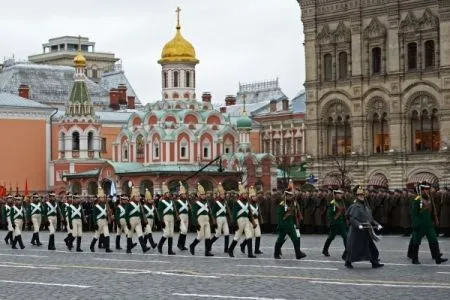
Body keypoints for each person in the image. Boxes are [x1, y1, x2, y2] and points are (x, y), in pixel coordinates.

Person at [345, 188, 384, 269]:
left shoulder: (366, 206)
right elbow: (352, 219)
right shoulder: (354, 206)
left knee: (372, 248)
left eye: (362, 195)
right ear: (356, 196)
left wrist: (377, 224)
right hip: (356, 232)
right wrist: (358, 225)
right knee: (353, 248)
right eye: (359, 195)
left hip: (366, 231)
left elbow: (371, 219)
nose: (361, 197)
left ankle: (374, 262)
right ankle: (348, 262)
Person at [410, 182, 447, 265]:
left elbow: (431, 210)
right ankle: (414, 258)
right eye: (426, 190)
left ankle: (437, 258)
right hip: (420, 224)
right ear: (422, 191)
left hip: (428, 224)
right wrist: (416, 224)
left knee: (433, 239)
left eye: (428, 189)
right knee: (416, 241)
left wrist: (434, 219)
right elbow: (414, 213)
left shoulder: (429, 198)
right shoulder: (417, 199)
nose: (428, 191)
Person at [273, 189, 306, 260]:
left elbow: (295, 210)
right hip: (284, 225)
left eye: (291, 196)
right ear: (286, 196)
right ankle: (276, 254)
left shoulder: (292, 203)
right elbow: (279, 217)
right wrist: (280, 225)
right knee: (280, 239)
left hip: (290, 224)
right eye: (289, 196)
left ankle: (298, 254)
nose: (290, 197)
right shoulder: (282, 204)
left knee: (295, 239)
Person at [228, 182, 257, 258]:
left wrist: (253, 222)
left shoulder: (247, 203)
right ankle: (230, 250)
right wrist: (233, 223)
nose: (245, 195)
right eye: (244, 194)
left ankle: (250, 253)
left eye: (246, 194)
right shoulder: (237, 203)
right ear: (241, 195)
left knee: (249, 235)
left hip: (246, 220)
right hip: (239, 221)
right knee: (237, 236)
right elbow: (234, 213)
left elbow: (249, 214)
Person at [189, 183, 214, 256]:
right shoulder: (196, 203)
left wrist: (212, 220)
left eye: (204, 194)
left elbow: (209, 212)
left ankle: (207, 252)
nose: (204, 196)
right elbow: (194, 214)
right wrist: (195, 223)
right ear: (199, 195)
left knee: (208, 236)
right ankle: (192, 245)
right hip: (200, 219)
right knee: (200, 236)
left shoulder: (207, 202)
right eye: (202, 195)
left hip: (206, 219)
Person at [322, 189, 348, 260]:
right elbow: (330, 214)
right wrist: (331, 223)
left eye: (341, 194)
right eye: (339, 194)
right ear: (335, 195)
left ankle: (347, 253)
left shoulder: (342, 202)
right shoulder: (333, 203)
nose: (341, 195)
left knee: (345, 237)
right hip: (335, 223)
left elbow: (344, 211)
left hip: (341, 223)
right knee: (331, 237)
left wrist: (346, 219)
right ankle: (325, 250)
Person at [125, 187, 150, 254]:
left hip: (138, 220)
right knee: (130, 235)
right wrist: (127, 223)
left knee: (140, 234)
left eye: (139, 196)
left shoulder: (139, 204)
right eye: (137, 196)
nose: (138, 197)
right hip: (131, 220)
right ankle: (128, 249)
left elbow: (140, 213)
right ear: (133, 197)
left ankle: (144, 248)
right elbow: (126, 214)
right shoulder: (129, 204)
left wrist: (142, 221)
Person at [240, 186, 263, 255]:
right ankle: (243, 245)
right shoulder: (248, 204)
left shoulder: (257, 204)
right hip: (250, 221)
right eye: (253, 197)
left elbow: (259, 213)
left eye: (255, 196)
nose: (255, 198)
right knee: (251, 235)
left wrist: (260, 219)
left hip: (256, 220)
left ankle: (256, 249)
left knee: (258, 235)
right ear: (250, 197)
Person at [90, 187, 113, 253]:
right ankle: (91, 246)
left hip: (104, 221)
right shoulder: (96, 206)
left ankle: (107, 248)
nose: (103, 198)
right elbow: (94, 216)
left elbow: (107, 213)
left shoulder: (105, 205)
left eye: (103, 197)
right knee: (96, 235)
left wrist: (109, 214)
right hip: (99, 222)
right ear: (99, 198)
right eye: (101, 197)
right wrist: (95, 224)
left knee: (107, 234)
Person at [210, 182, 231, 253]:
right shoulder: (216, 202)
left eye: (223, 194)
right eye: (221, 194)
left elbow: (227, 211)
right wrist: (214, 221)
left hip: (224, 218)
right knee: (218, 234)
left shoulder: (225, 202)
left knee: (227, 233)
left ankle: (226, 249)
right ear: (219, 195)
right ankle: (209, 243)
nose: (223, 196)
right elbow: (213, 212)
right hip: (218, 218)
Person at [157, 182, 176, 255]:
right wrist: (161, 221)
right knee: (166, 233)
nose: (168, 194)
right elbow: (160, 212)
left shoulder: (171, 201)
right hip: (165, 217)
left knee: (171, 234)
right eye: (167, 193)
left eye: (168, 192)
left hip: (171, 217)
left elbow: (173, 210)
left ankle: (170, 250)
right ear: (164, 194)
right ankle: (160, 245)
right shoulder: (161, 201)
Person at [175, 182, 189, 251]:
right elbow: (176, 210)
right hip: (181, 216)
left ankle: (182, 245)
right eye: (183, 194)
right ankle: (179, 244)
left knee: (185, 231)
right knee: (183, 230)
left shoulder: (187, 201)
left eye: (185, 194)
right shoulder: (178, 202)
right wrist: (177, 218)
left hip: (186, 216)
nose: (184, 195)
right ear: (180, 195)